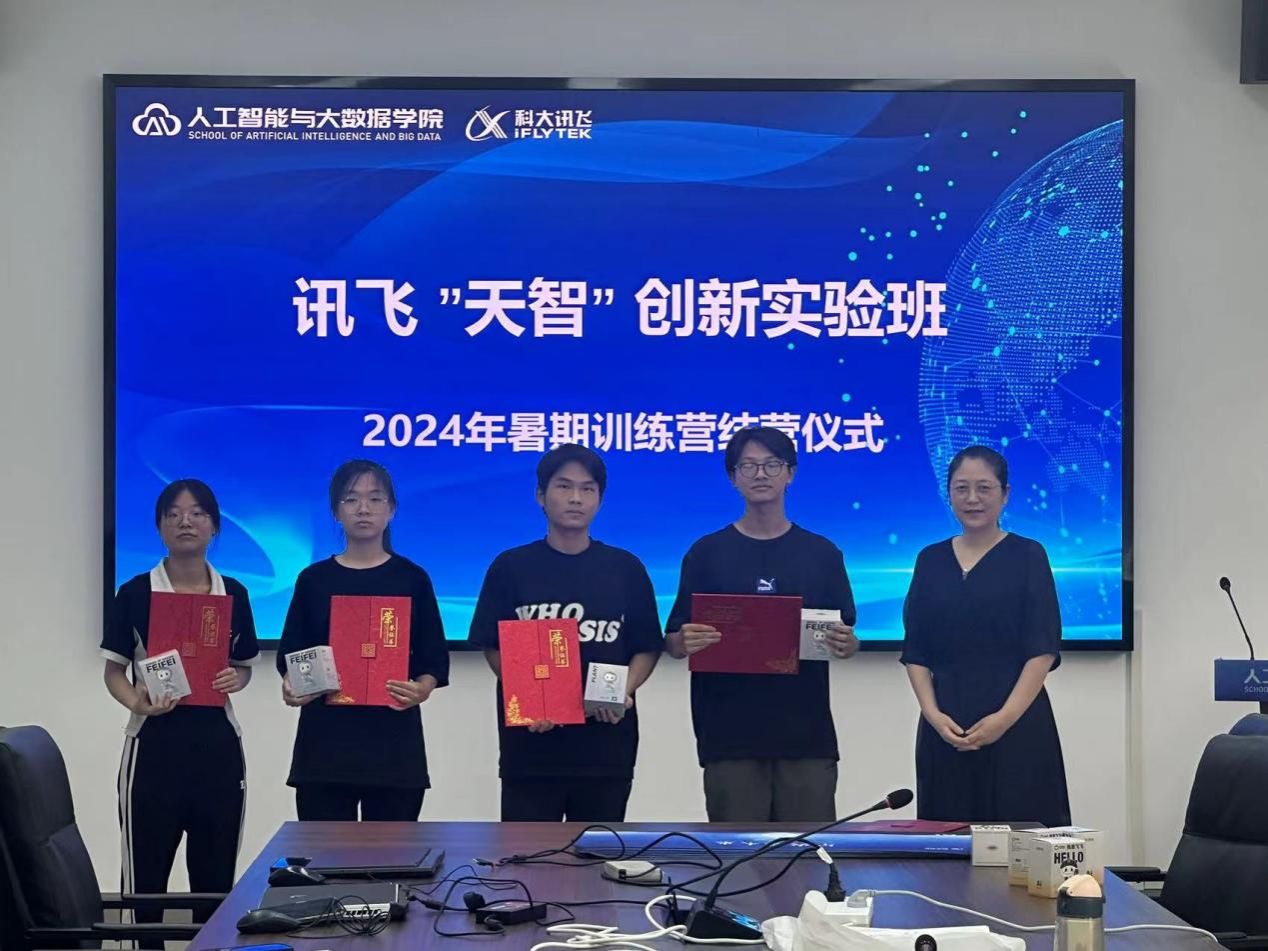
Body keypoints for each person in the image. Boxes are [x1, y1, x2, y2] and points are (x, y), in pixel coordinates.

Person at [665, 426, 859, 822]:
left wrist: (846, 644)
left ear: (791, 473)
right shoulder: (706, 553)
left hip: (805, 737)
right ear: (732, 477)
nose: (760, 474)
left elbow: (846, 635)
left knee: (807, 852)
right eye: (748, 466)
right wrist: (684, 641)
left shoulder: (822, 553)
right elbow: (673, 641)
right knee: (738, 854)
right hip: (729, 738)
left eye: (772, 464)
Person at [469, 444, 663, 822]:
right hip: (531, 747)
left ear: (599, 499)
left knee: (597, 853)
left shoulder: (625, 568)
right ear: (541, 495)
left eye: (588, 489)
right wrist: (530, 697)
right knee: (526, 854)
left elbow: (646, 647)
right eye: (564, 486)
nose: (576, 498)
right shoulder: (511, 567)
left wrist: (623, 690)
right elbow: (493, 645)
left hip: (605, 748)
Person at [101, 479, 258, 938]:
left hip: (217, 750)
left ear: (215, 525)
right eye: (173, 514)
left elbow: (243, 667)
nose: (185, 522)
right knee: (144, 884)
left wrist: (236, 679)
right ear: (159, 527)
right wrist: (137, 701)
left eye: (197, 513)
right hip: (153, 749)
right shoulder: (135, 593)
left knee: (214, 885)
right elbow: (114, 672)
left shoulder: (234, 593)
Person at [900, 445, 1071, 827]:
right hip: (945, 727)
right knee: (946, 842)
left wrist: (1003, 719)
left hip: (1017, 724)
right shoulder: (930, 559)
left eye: (984, 488)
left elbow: (1042, 648)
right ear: (949, 494)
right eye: (961, 488)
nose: (972, 498)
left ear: (1005, 494)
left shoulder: (1029, 555)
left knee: (1020, 843)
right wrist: (933, 715)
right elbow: (916, 651)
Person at [277, 459, 449, 821]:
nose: (363, 508)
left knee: (391, 855)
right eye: (351, 499)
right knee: (322, 855)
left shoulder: (412, 579)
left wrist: (422, 688)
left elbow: (433, 659)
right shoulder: (313, 580)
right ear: (336, 511)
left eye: (375, 498)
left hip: (394, 749)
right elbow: (291, 655)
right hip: (324, 750)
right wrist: (292, 687)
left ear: (391, 509)